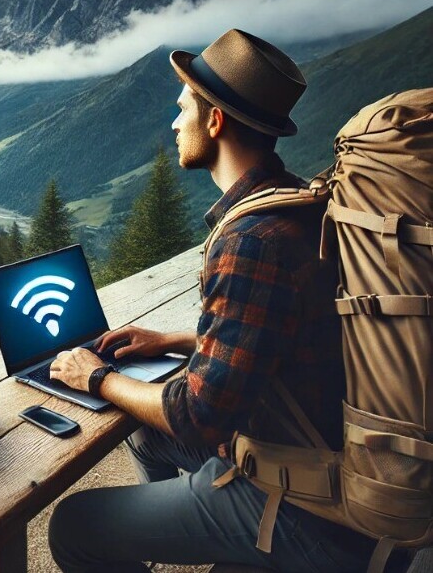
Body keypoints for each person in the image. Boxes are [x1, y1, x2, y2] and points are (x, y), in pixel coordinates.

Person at [46, 29, 379, 573]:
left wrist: (95, 377)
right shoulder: (299, 206)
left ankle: (221, 536)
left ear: (216, 122)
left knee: (74, 526)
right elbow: (287, 336)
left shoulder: (250, 240)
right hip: (326, 455)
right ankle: (179, 536)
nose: (175, 124)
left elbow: (195, 414)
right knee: (147, 439)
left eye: (183, 110)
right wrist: (178, 339)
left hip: (308, 510)